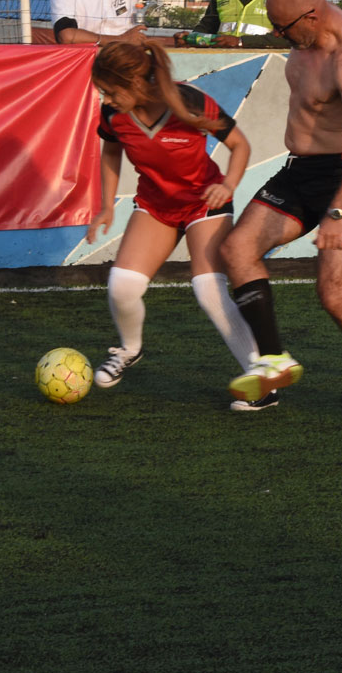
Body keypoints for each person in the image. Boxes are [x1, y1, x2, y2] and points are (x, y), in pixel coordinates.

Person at [218, 0, 342, 420]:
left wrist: (338, 211)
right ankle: (272, 367)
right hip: (299, 171)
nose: (279, 35)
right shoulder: (319, 32)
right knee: (237, 249)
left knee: (334, 294)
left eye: (283, 28)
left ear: (311, 15)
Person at [85, 42, 268, 408]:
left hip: (205, 202)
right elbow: (111, 150)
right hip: (156, 206)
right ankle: (130, 350)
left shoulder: (189, 102)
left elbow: (240, 145)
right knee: (122, 286)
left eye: (110, 91)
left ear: (135, 82)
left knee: (209, 291)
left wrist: (228, 185)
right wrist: (106, 206)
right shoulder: (113, 115)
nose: (106, 99)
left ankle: (263, 379)